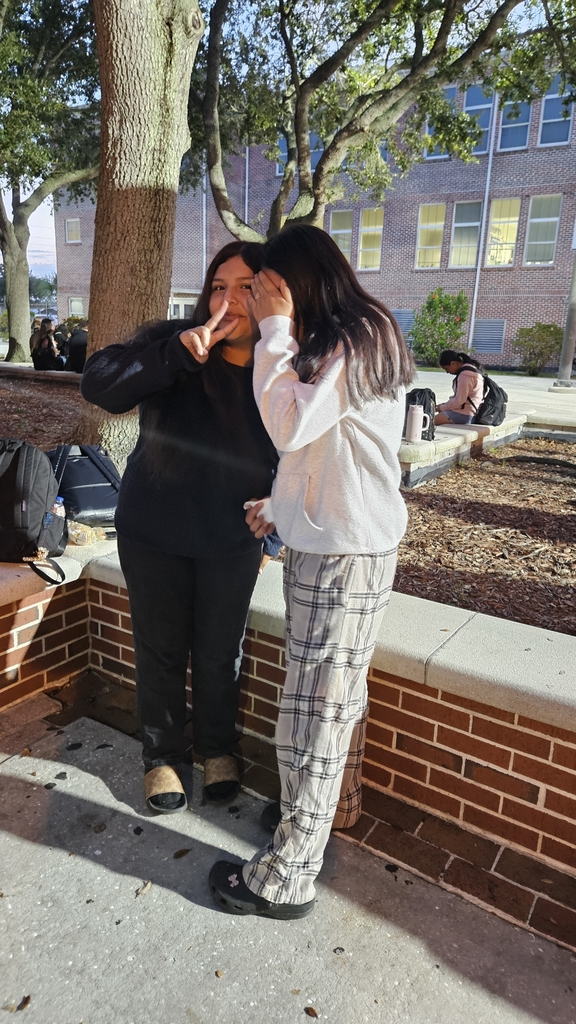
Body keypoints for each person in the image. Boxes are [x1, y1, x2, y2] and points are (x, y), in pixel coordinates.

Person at [208, 224, 414, 920]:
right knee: (323, 708)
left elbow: (290, 429)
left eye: (268, 286)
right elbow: (331, 449)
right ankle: (313, 823)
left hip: (343, 559)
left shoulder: (354, 339)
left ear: (301, 279)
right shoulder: (355, 333)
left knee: (312, 718)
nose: (263, 299)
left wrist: (272, 332)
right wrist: (285, 505)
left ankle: (286, 877)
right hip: (333, 544)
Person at [80, 241, 280, 815]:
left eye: (248, 287)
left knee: (221, 654)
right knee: (161, 652)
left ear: (272, 295)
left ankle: (218, 747)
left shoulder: (281, 367)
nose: (231, 299)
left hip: (230, 540)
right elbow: (99, 385)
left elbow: (303, 453)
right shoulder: (170, 343)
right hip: (153, 533)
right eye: (220, 286)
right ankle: (162, 756)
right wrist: (173, 355)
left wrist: (273, 530)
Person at [434, 350, 484, 425]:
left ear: (453, 364)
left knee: (427, 422)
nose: (447, 372)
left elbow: (459, 401)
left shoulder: (465, 375)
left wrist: (441, 408)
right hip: (470, 412)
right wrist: (444, 405)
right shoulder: (472, 370)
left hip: (465, 414)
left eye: (446, 369)